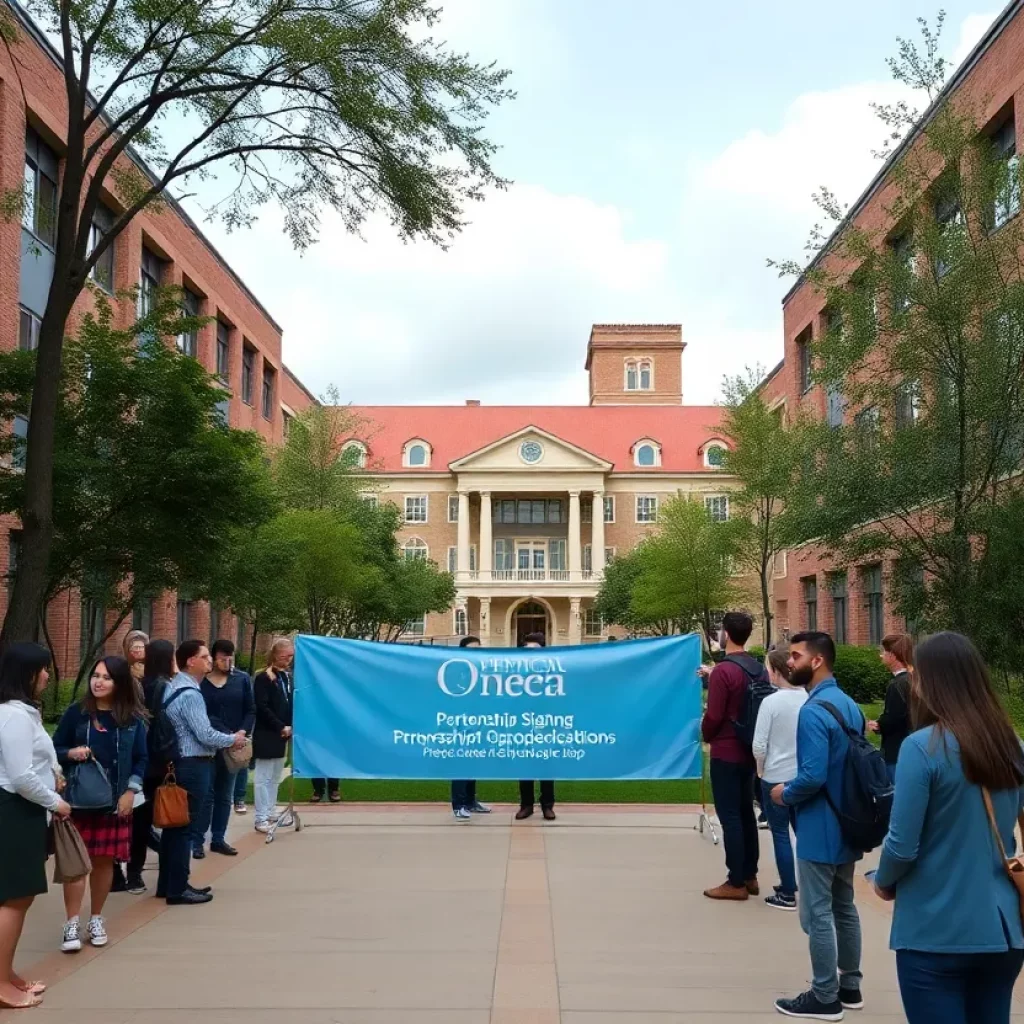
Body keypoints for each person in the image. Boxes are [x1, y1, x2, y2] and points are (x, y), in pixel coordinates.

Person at [873, 631, 1024, 1024]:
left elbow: (902, 846)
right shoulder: (1012, 745)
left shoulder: (922, 748)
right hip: (1003, 927)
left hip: (935, 928)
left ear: (930, 681)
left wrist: (883, 880)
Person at [771, 631, 864, 1020]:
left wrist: (782, 794)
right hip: (848, 821)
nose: (788, 662)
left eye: (795, 656)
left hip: (818, 822)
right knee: (844, 905)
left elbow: (811, 776)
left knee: (818, 913)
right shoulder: (848, 704)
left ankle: (825, 996)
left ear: (817, 661)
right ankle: (850, 986)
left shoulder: (813, 711)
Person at [52, 656, 148, 953]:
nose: (98, 681)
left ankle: (96, 918)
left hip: (114, 802)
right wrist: (72, 754)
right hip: (78, 801)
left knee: (105, 862)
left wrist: (131, 791)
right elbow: (55, 748)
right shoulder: (77, 713)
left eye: (106, 677)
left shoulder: (132, 720)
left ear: (118, 683)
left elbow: (142, 758)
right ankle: (71, 923)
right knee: (76, 865)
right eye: (96, 675)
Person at [0, 642, 71, 1009]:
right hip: (15, 811)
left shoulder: (23, 713)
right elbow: (20, 775)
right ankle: (0, 983)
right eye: (42, 669)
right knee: (14, 898)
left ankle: (5, 972)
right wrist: (55, 801)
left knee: (16, 897)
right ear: (26, 674)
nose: (47, 675)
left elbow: (34, 764)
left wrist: (54, 776)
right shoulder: (12, 716)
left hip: (23, 811)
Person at [157, 640, 246, 905]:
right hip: (193, 764)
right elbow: (204, 734)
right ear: (189, 661)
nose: (209, 661)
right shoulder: (191, 694)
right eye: (204, 657)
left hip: (179, 763)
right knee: (184, 828)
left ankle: (169, 884)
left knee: (174, 829)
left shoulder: (173, 687)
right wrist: (233, 739)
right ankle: (179, 888)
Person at [701, 611, 760, 901]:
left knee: (731, 817)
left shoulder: (724, 671)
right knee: (746, 812)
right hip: (749, 748)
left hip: (725, 749)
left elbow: (714, 715)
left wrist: (706, 733)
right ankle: (750, 874)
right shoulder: (757, 668)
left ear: (725, 633)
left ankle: (734, 880)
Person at [751, 648, 805, 911]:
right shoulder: (807, 698)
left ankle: (787, 890)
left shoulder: (771, 702)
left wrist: (760, 770)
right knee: (802, 832)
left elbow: (759, 745)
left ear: (775, 670)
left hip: (775, 775)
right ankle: (802, 882)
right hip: (802, 776)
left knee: (781, 833)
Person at [193, 639, 255, 859]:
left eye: (230, 658)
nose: (227, 662)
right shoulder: (201, 682)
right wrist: (224, 733)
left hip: (234, 746)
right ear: (213, 657)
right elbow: (202, 715)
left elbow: (250, 710)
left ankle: (218, 838)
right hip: (208, 745)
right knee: (206, 794)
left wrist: (241, 732)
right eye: (222, 658)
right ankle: (197, 841)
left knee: (224, 794)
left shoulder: (242, 679)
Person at [126, 639, 176, 894]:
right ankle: (138, 872)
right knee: (155, 819)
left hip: (139, 759)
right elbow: (165, 726)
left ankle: (132, 871)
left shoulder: (139, 684)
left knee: (139, 819)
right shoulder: (164, 687)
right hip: (157, 761)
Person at [253, 638, 294, 833]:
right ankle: (260, 817)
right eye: (285, 656)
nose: (288, 660)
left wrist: (291, 725)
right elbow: (262, 707)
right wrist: (280, 726)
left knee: (275, 776)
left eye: (291, 656)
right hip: (267, 733)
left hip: (283, 733)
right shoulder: (263, 677)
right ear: (276, 655)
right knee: (263, 778)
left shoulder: (286, 677)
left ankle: (270, 810)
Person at [451, 636, 491, 822]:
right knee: (460, 765)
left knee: (473, 765)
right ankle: (458, 805)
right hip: (460, 724)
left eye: (479, 649)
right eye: (473, 649)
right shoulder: (458, 671)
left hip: (477, 723)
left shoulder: (482, 671)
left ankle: (470, 801)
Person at [516, 632, 555, 822]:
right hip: (522, 725)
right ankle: (526, 805)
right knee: (524, 767)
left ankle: (548, 805)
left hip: (546, 724)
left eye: (535, 650)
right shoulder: (515, 672)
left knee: (546, 767)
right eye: (527, 649)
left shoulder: (552, 671)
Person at [867, 633, 913, 785]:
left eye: (884, 652)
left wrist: (879, 725)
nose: (881, 655)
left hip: (896, 751)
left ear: (893, 656)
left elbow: (894, 717)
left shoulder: (896, 685)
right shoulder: (916, 679)